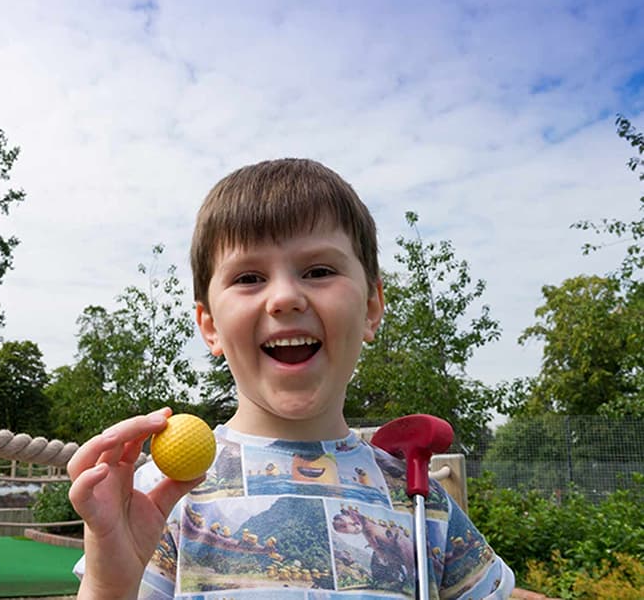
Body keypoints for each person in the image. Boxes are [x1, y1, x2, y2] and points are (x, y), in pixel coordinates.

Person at [68, 158, 515, 599]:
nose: (284, 297)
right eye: (249, 277)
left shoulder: (422, 501)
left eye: (319, 271)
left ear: (371, 307)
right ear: (210, 325)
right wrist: (110, 585)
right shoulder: (157, 499)